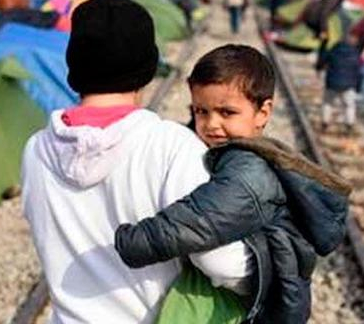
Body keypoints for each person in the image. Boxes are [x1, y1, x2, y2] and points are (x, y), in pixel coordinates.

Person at [21, 0, 250, 324]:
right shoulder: (171, 146)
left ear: (75, 67)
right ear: (146, 70)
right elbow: (220, 263)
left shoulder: (35, 150)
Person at [115, 45, 351, 323]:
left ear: (263, 112)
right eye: (201, 111)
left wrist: (133, 240)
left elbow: (199, 220)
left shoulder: (249, 170)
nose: (211, 124)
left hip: (249, 304)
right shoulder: (242, 155)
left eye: (226, 113)